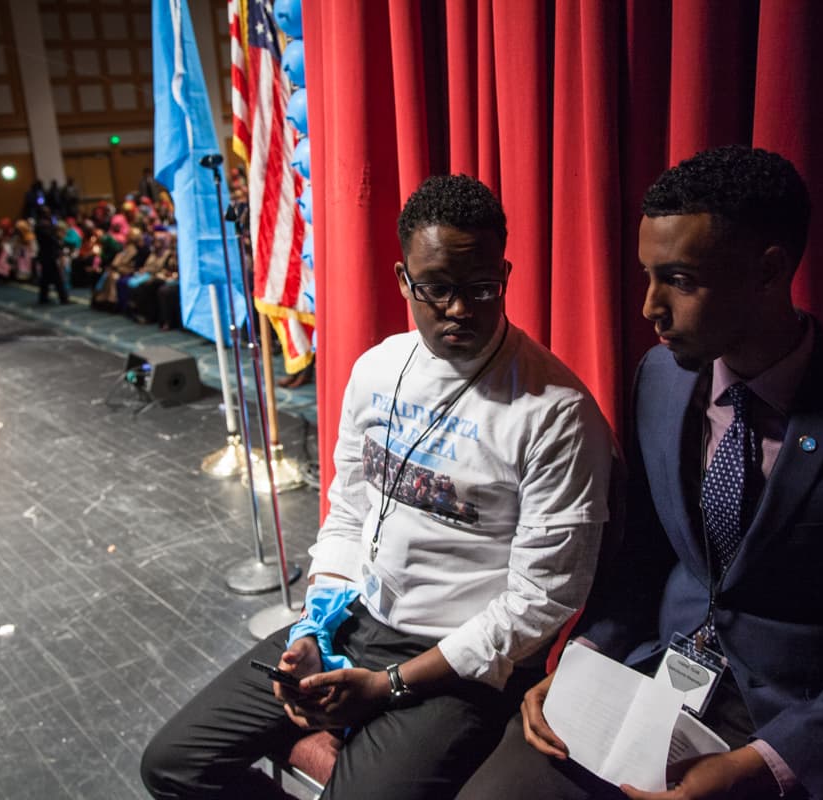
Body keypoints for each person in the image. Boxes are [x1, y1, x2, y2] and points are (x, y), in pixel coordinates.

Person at [459, 145, 823, 800]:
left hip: (791, 729)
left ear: (769, 271)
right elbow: (642, 559)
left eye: (679, 280)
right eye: (647, 275)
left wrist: (763, 765)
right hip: (644, 682)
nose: (649, 307)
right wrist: (583, 661)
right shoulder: (658, 379)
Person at [141, 174, 615, 799]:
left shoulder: (555, 412)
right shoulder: (376, 370)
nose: (459, 309)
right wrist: (312, 629)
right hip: (354, 621)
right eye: (437, 289)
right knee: (173, 764)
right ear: (402, 281)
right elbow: (348, 513)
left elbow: (539, 604)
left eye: (481, 288)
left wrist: (390, 684)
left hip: (455, 661)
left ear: (505, 272)